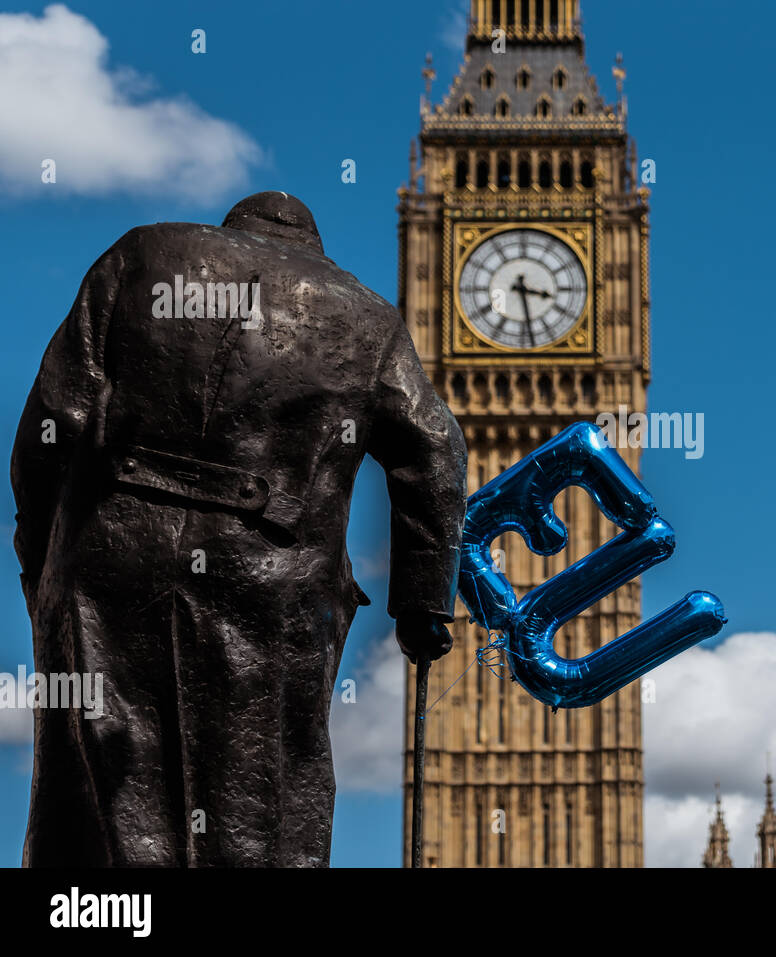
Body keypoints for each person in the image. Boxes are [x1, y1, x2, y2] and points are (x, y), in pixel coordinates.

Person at [11, 191, 466, 866]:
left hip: (110, 559)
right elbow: (435, 449)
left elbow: (53, 421)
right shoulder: (366, 317)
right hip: (268, 582)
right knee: (257, 807)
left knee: (104, 783)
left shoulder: (141, 255)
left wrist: (44, 559)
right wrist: (423, 605)